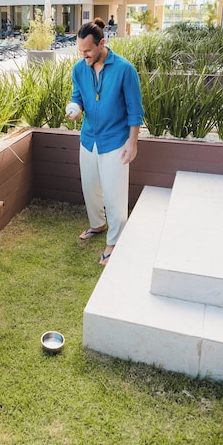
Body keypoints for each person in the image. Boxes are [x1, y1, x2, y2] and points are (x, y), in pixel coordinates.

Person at [67, 19, 144, 266]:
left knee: (114, 194)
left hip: (116, 141)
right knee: (90, 188)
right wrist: (75, 108)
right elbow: (77, 96)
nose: (84, 56)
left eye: (88, 51)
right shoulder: (79, 69)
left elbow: (135, 110)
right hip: (89, 140)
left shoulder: (125, 70)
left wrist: (133, 142)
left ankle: (114, 241)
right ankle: (97, 225)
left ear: (102, 43)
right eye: (80, 51)